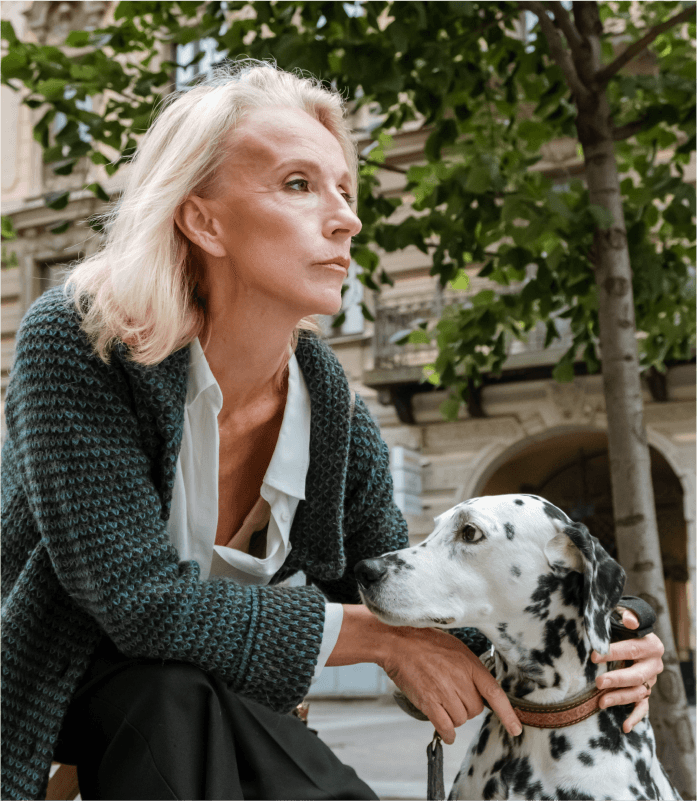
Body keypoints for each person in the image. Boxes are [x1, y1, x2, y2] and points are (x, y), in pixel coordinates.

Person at [0, 61, 664, 801]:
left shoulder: (333, 416)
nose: (345, 216)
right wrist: (377, 639)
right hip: (47, 699)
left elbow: (410, 603)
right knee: (169, 689)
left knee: (188, 701)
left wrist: (606, 631)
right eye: (297, 184)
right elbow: (139, 603)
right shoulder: (78, 340)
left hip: (213, 728)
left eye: (344, 189)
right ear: (202, 218)